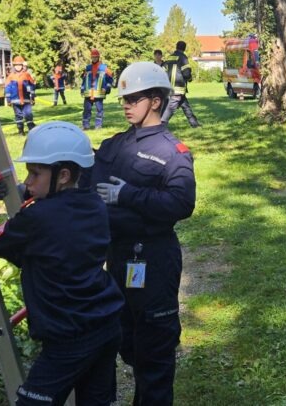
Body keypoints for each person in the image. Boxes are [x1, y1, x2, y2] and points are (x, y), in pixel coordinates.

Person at [0, 121, 124, 405]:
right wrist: (25, 192)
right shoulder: (93, 204)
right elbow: (45, 249)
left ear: (63, 175)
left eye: (35, 174)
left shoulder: (39, 218)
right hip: (106, 324)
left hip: (70, 337)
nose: (27, 181)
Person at [89, 62, 195, 406]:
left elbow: (181, 202)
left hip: (154, 257)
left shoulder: (171, 151)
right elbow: (83, 175)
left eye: (133, 98)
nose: (125, 104)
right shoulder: (114, 144)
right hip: (117, 256)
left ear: (155, 100)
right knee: (126, 337)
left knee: (155, 348)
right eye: (124, 98)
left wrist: (128, 195)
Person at [160, 40, 201, 129]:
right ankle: (160, 127)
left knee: (186, 107)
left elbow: (162, 70)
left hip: (169, 88)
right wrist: (190, 78)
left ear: (176, 47)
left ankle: (195, 124)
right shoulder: (183, 58)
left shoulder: (170, 57)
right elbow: (186, 73)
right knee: (170, 109)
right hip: (178, 89)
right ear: (184, 48)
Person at [80, 49, 113, 130]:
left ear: (98, 57)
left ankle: (98, 126)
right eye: (92, 57)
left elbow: (110, 78)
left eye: (95, 57)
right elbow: (84, 79)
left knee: (99, 110)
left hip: (99, 93)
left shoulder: (104, 68)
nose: (94, 58)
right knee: (87, 109)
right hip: (88, 93)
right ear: (91, 57)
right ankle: (85, 126)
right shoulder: (87, 68)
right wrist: (82, 89)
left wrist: (107, 88)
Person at [5, 56, 37, 135]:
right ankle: (20, 130)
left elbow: (32, 85)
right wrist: (8, 99)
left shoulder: (27, 75)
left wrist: (32, 96)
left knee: (28, 114)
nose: (18, 67)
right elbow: (7, 88)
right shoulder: (11, 76)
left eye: (19, 65)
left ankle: (31, 129)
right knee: (18, 116)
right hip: (15, 100)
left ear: (23, 66)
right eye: (16, 65)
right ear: (14, 66)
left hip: (26, 100)